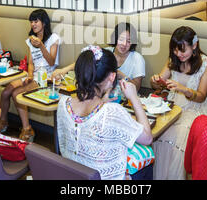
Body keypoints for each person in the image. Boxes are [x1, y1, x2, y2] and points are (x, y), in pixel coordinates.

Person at [57, 45, 153, 180]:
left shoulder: (63, 103)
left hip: (74, 176)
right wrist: (134, 98)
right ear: (112, 77)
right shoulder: (113, 112)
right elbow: (147, 138)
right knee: (146, 165)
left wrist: (102, 101)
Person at [150, 26, 207, 179]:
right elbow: (160, 83)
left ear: (194, 46)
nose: (178, 54)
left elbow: (201, 96)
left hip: (195, 110)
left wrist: (184, 89)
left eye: (182, 50)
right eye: (175, 50)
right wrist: (155, 81)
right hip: (171, 107)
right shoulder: (173, 60)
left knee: (175, 139)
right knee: (157, 135)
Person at [0, 9, 60, 141]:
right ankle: (3, 121)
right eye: (31, 21)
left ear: (44, 22)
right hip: (33, 74)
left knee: (17, 94)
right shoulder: (30, 40)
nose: (33, 24)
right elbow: (31, 63)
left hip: (47, 76)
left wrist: (42, 46)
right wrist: (30, 75)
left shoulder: (53, 38)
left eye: (36, 21)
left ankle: (27, 129)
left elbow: (51, 62)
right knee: (6, 91)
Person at [52, 22, 146, 91]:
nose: (124, 44)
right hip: (103, 95)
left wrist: (122, 76)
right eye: (121, 39)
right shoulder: (106, 52)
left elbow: (137, 88)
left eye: (129, 41)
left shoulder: (137, 58)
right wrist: (63, 70)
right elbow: (85, 62)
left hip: (126, 99)